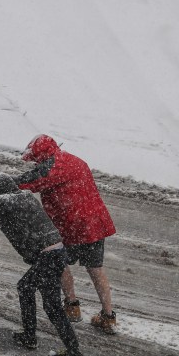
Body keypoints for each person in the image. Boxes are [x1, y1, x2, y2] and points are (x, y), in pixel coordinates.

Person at [0, 173, 83, 356]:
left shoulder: (8, 201)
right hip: (55, 253)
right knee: (31, 291)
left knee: (48, 304)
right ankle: (31, 336)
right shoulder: (22, 196)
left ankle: (72, 352)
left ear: (2, 192)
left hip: (47, 256)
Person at [15, 134, 118, 334]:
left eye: (36, 158)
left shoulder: (52, 168)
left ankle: (71, 306)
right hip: (95, 223)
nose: (35, 163)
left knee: (60, 263)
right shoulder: (75, 160)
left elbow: (28, 183)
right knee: (96, 268)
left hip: (72, 225)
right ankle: (108, 316)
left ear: (43, 155)